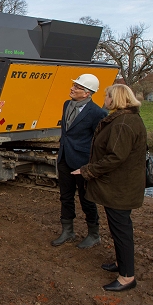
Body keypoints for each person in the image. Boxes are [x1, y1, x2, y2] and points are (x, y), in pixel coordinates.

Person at [73, 84, 147, 292]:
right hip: (120, 185)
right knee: (118, 228)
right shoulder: (125, 119)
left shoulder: (123, 123)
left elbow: (115, 157)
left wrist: (87, 170)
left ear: (116, 99)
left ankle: (127, 277)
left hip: (120, 188)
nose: (104, 98)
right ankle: (121, 264)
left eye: (107, 96)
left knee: (121, 230)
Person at [52, 74, 107, 249]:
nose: (72, 88)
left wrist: (91, 166)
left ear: (87, 93)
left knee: (87, 199)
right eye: (74, 85)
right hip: (64, 159)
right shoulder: (67, 104)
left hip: (82, 162)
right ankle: (68, 231)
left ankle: (94, 234)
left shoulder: (98, 113)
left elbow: (99, 142)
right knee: (65, 197)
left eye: (77, 87)